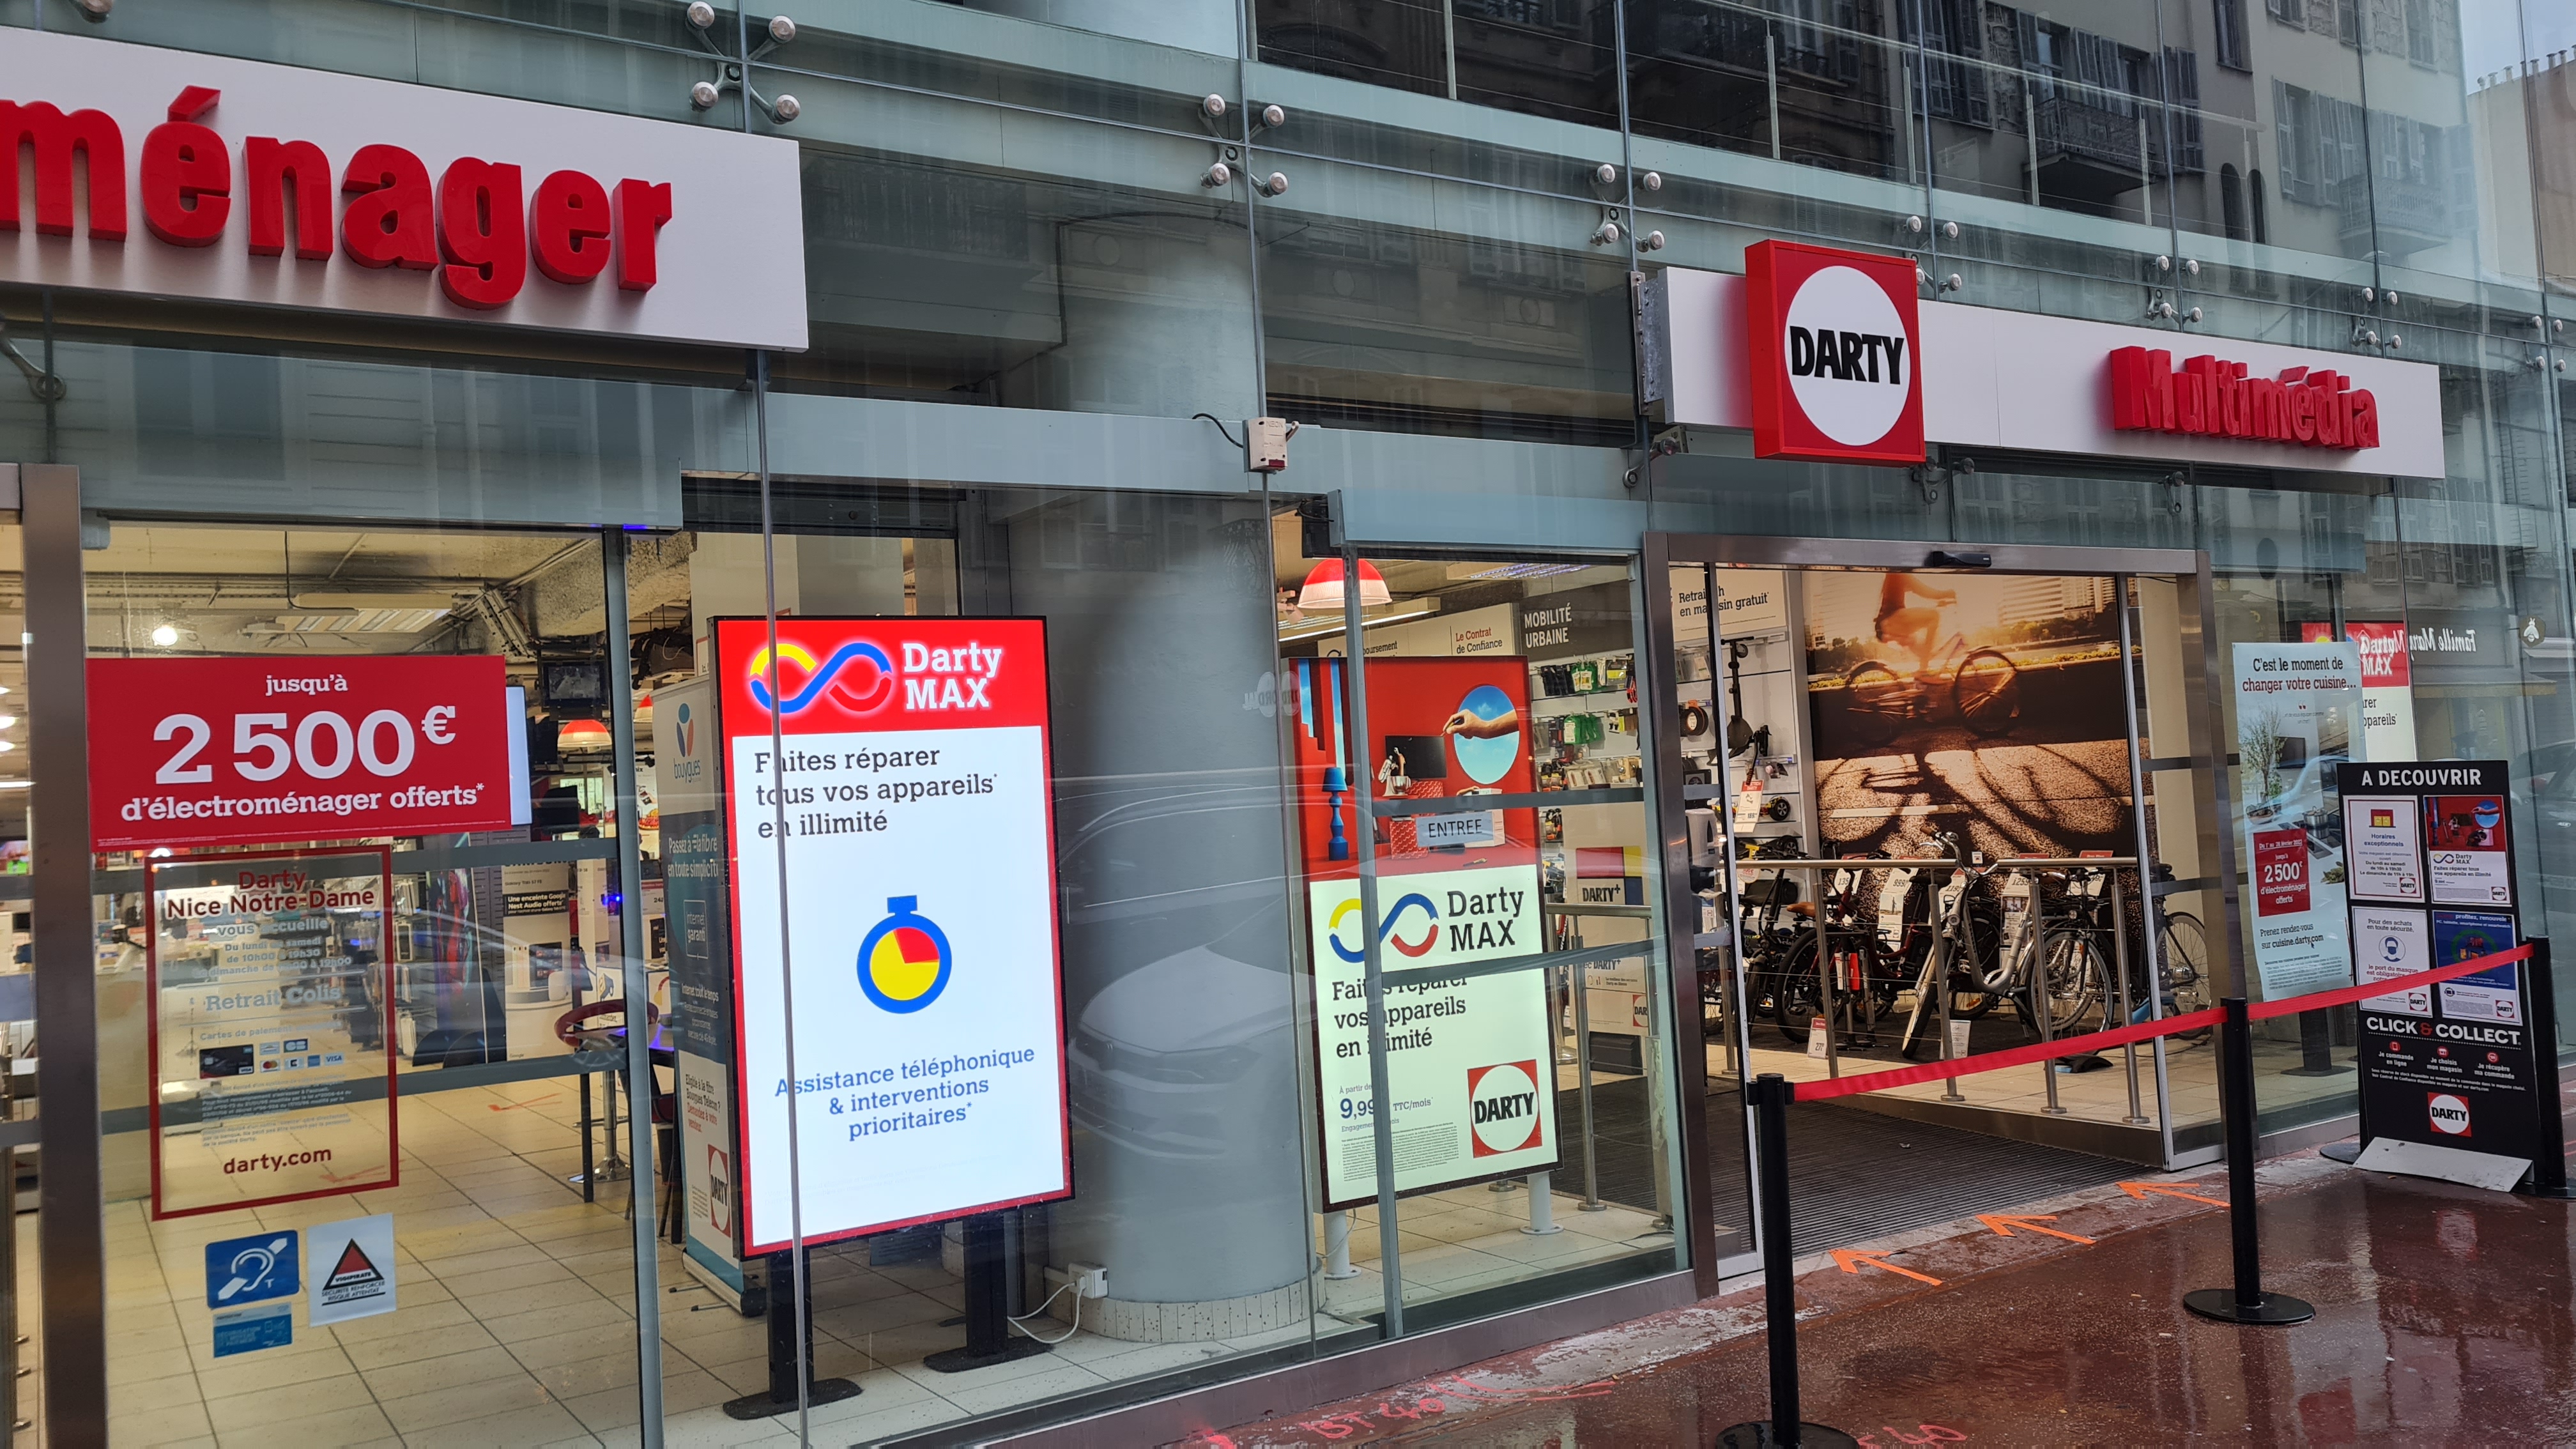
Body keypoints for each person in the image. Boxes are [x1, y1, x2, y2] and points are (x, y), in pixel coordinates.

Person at [1875, 571, 1958, 676]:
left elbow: (1910, 590)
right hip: (1892, 619)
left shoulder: (1892, 575)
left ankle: (1921, 680)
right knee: (1933, 616)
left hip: (1888, 624)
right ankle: (1923, 671)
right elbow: (1922, 590)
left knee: (1925, 650)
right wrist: (1947, 594)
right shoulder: (1899, 572)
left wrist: (1939, 602)